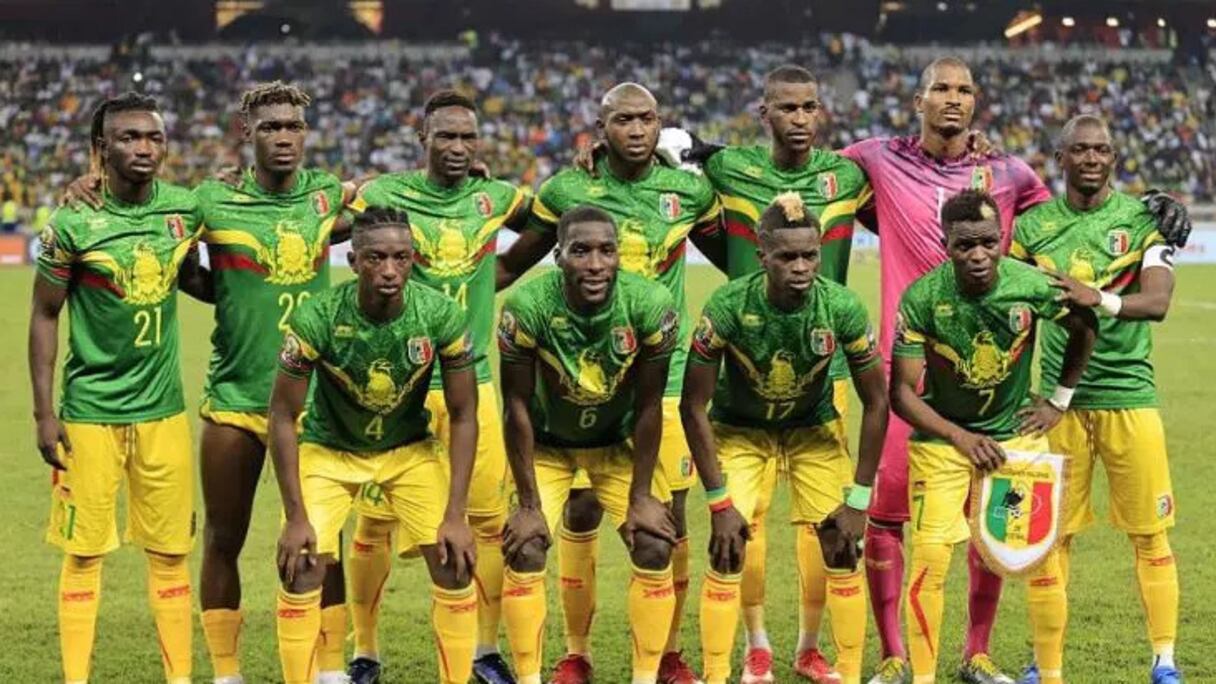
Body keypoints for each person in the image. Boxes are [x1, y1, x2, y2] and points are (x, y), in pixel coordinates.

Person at [61, 81, 352, 684]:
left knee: (324, 541)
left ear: (306, 133)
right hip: (235, 398)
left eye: (293, 126)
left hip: (313, 402)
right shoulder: (209, 202)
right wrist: (88, 182)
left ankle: (329, 669)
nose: (283, 137)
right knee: (223, 537)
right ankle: (225, 673)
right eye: (270, 127)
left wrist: (468, 170)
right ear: (247, 133)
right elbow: (162, 243)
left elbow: (395, 196)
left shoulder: (326, 194)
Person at [497, 82, 725, 684]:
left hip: (660, 377)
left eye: (647, 119)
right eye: (623, 120)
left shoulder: (688, 190)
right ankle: (576, 652)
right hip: (573, 379)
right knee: (577, 510)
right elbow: (513, 264)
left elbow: (740, 255)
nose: (636, 130)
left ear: (660, 123)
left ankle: (667, 653)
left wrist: (715, 157)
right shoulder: (567, 189)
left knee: (667, 520)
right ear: (601, 130)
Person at [345, 89, 532, 684]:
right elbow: (323, 218)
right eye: (445, 135)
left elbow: (551, 221)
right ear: (422, 138)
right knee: (373, 523)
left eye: (467, 137)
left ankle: (483, 651)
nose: (457, 146)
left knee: (486, 520)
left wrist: (504, 270)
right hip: (398, 385)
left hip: (473, 384)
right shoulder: (385, 193)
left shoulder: (494, 197)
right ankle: (365, 651)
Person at [695, 65, 873, 683]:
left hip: (825, 371)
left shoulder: (849, 175)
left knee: (821, 527)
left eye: (809, 107)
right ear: (763, 112)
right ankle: (757, 643)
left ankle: (809, 646)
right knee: (746, 522)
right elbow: (660, 163)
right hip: (743, 370)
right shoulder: (727, 169)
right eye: (787, 107)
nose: (800, 118)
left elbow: (920, 183)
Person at [29, 92, 208, 684]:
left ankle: (179, 679)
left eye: (154, 137)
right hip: (89, 414)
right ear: (101, 149)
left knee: (171, 554)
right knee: (83, 553)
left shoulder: (185, 209)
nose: (144, 148)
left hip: (164, 411)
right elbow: (45, 315)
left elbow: (197, 272)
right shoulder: (73, 222)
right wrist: (43, 413)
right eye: (129, 138)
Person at [890, 189, 1097, 684]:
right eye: (965, 245)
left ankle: (1051, 676)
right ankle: (923, 678)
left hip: (1015, 441)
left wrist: (1059, 400)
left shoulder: (1031, 283)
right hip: (943, 444)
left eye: (988, 242)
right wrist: (959, 437)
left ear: (1002, 238)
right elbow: (901, 394)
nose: (979, 255)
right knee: (932, 560)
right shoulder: (922, 298)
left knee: (1039, 561)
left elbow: (1085, 324)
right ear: (946, 243)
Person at [680, 193, 888, 684]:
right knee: (729, 544)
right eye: (787, 256)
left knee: (841, 545)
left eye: (810, 255)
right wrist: (718, 502)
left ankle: (828, 661)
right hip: (740, 428)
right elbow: (693, 404)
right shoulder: (729, 305)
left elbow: (878, 401)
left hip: (811, 428)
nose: (801, 267)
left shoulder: (841, 306)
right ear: (762, 256)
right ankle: (733, 663)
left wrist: (859, 500)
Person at [268, 205, 479, 684]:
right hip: (329, 450)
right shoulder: (318, 316)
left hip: (409, 450)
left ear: (413, 259)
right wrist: (296, 517)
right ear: (352, 260)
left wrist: (456, 514)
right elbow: (281, 414)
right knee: (301, 567)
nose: (389, 270)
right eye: (375, 258)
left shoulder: (441, 314)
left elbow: (465, 413)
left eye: (401, 258)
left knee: (456, 564)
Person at [1010, 115, 1183, 684]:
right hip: (1057, 406)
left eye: (1102, 149)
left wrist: (1098, 298)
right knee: (1052, 537)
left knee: (1149, 533)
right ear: (1060, 157)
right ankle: (1046, 664)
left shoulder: (1143, 221)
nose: (1091, 158)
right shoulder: (1032, 229)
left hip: (1131, 397)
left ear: (1114, 158)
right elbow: (1015, 311)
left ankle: (1164, 659)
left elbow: (1157, 303)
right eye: (1080, 149)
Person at [496, 205, 681, 684]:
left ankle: (645, 677)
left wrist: (641, 496)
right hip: (547, 446)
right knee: (525, 546)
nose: (596, 264)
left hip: (616, 444)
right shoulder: (526, 307)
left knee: (655, 544)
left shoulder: (650, 304)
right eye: (581, 252)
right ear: (558, 256)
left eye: (606, 251)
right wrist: (529, 505)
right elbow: (515, 405)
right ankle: (531, 677)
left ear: (619, 255)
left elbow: (649, 405)